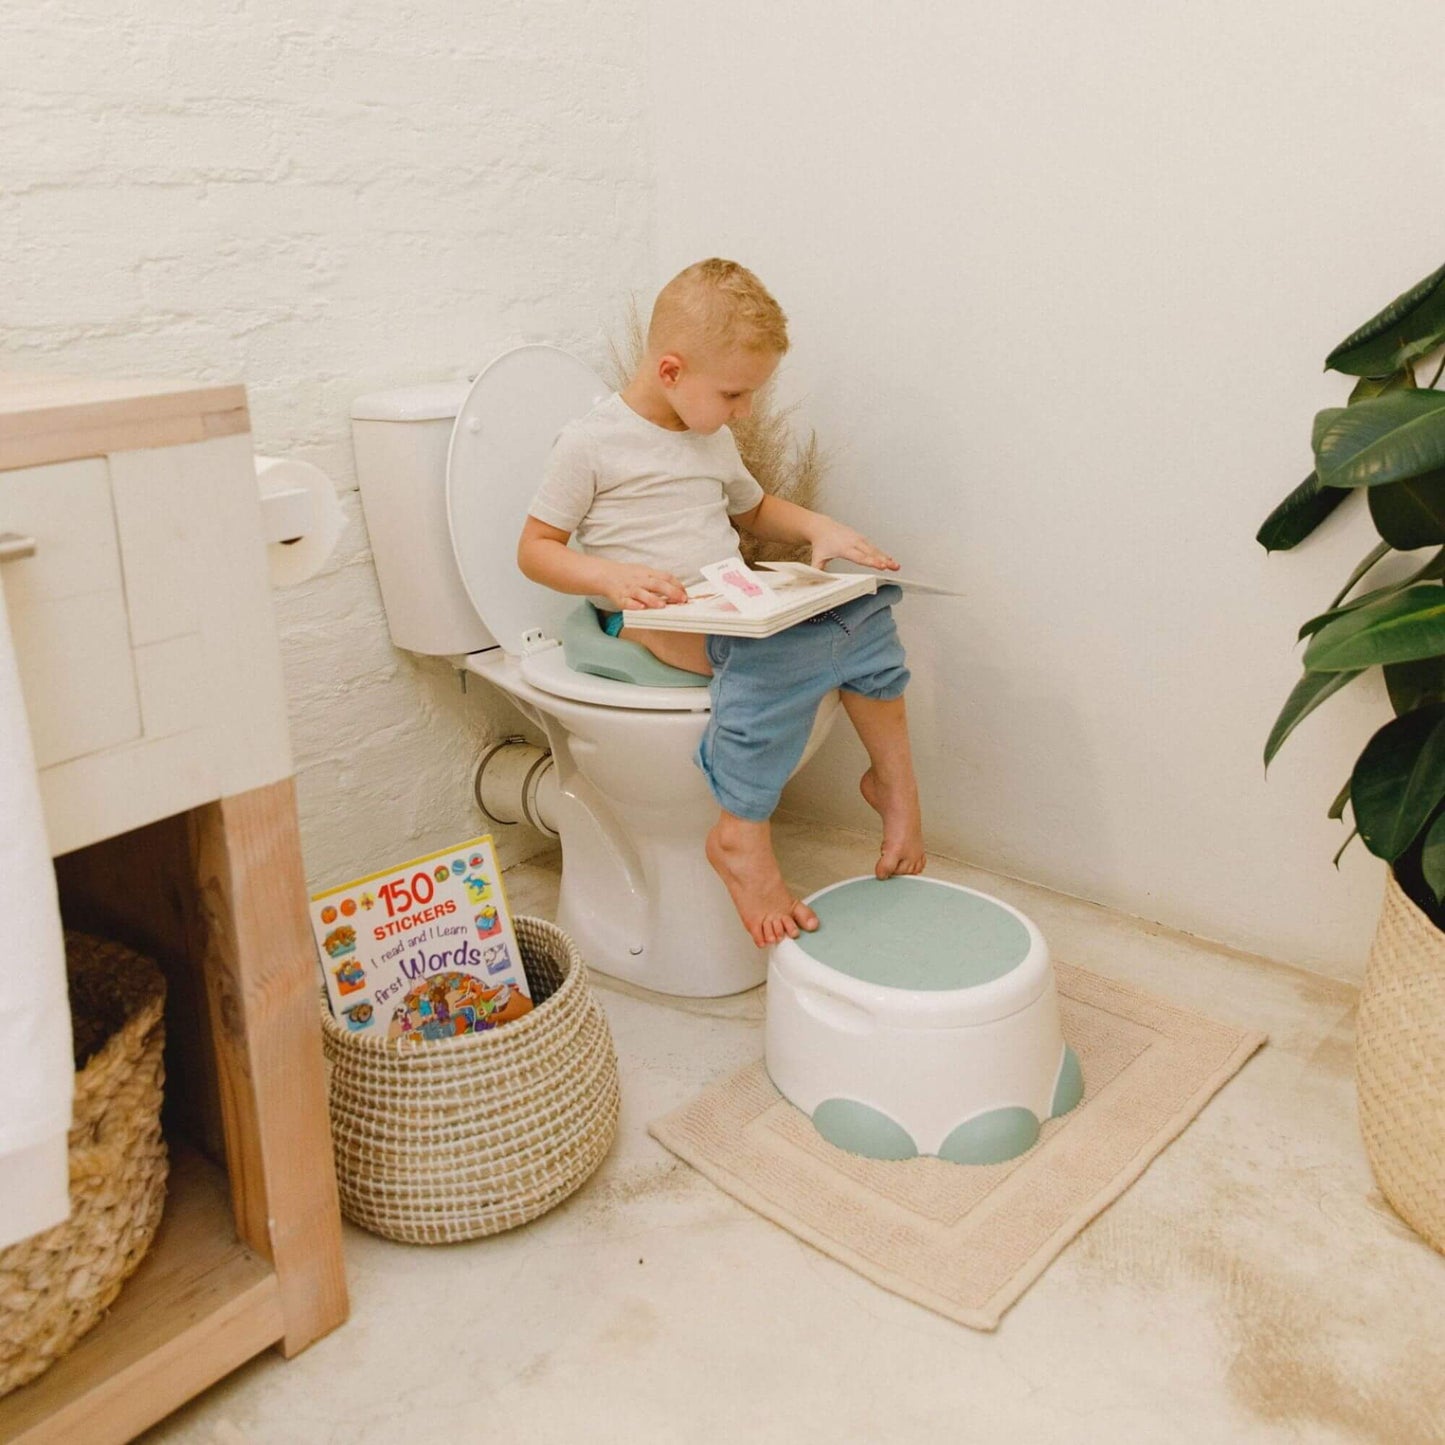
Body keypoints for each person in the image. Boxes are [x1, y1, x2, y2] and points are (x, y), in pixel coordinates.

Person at [517, 258, 924, 946]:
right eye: (734, 395)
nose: (743, 411)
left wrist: (817, 528)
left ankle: (894, 785)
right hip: (651, 616)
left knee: (867, 614)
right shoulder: (590, 443)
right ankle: (740, 835)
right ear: (670, 370)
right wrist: (610, 577)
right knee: (779, 662)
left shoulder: (710, 434)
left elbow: (755, 507)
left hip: (726, 600)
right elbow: (536, 548)